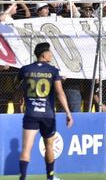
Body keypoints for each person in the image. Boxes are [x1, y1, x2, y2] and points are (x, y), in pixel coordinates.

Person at [17, 42, 73, 180]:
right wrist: (68, 112)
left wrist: (20, 102)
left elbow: (18, 88)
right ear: (43, 54)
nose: (51, 54)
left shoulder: (25, 69)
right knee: (49, 145)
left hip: (31, 113)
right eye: (49, 52)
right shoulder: (53, 71)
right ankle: (50, 176)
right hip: (47, 114)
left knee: (26, 147)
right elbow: (60, 92)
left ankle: (22, 178)